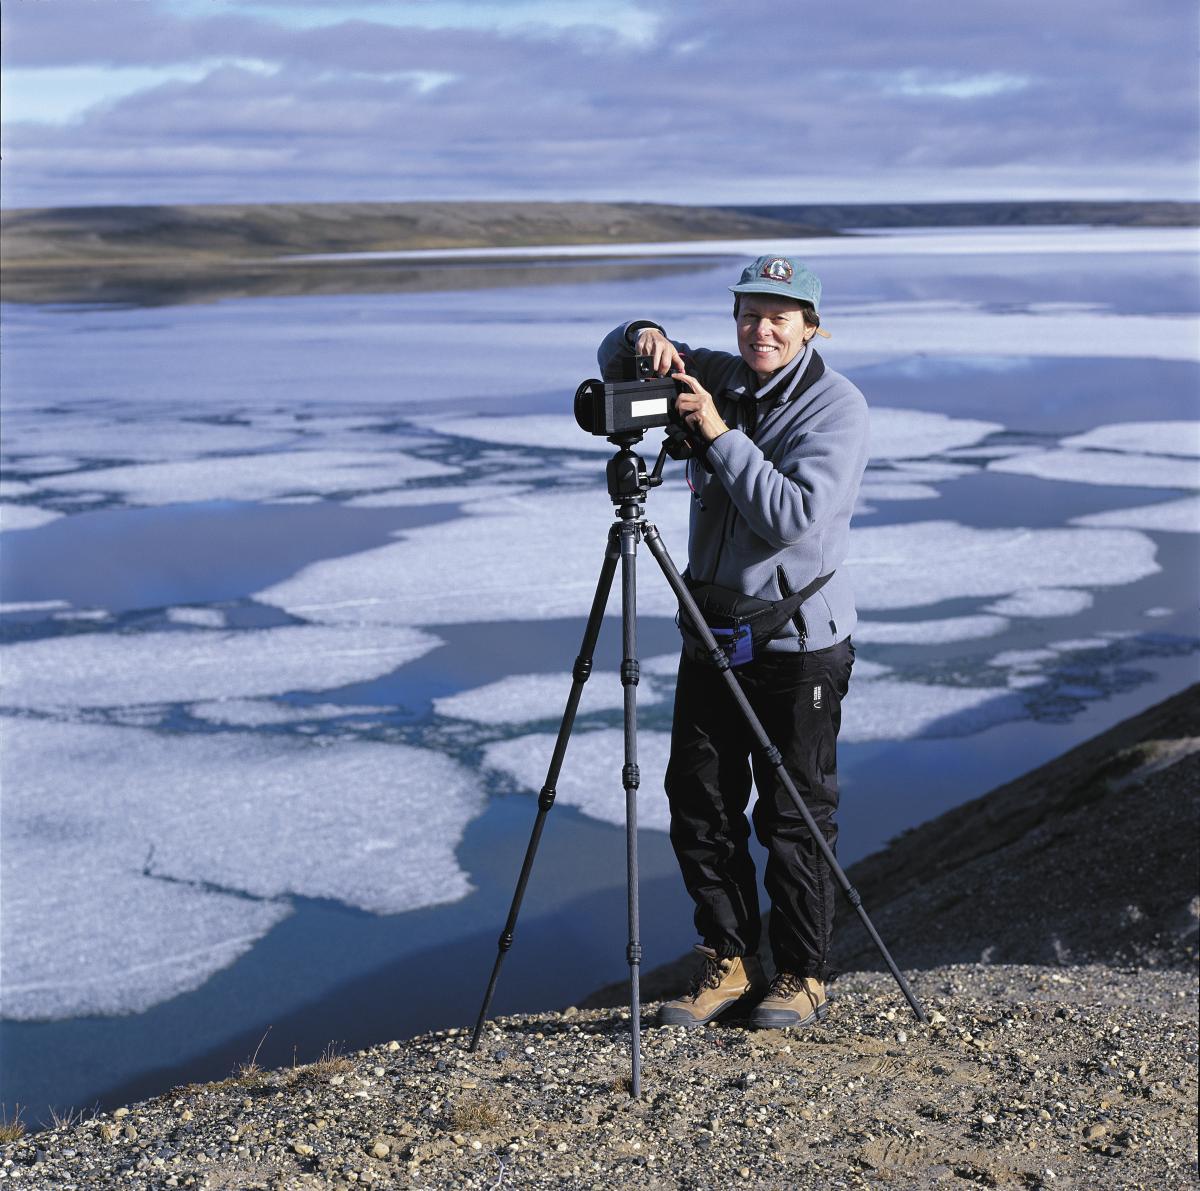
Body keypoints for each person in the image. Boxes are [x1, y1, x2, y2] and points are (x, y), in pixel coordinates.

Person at [596, 254, 870, 1030]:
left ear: (810, 327)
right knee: (699, 804)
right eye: (749, 313)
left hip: (797, 645)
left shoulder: (835, 407)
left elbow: (790, 515)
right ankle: (728, 960)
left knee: (793, 815)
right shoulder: (721, 373)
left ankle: (803, 974)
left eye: (780, 316)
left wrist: (716, 432)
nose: (762, 329)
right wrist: (643, 336)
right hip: (712, 635)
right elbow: (616, 362)